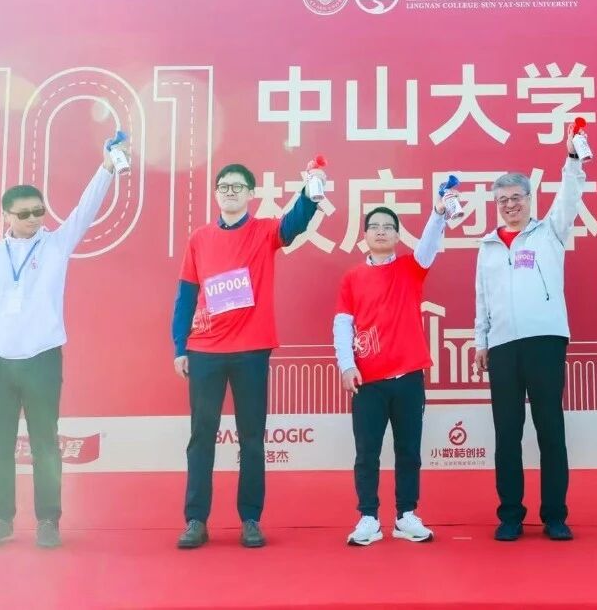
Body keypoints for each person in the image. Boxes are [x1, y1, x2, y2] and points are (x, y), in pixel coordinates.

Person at [0, 133, 129, 550]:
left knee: (45, 444)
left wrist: (106, 167)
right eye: (25, 214)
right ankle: (0, 519)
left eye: (39, 211)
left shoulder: (56, 245)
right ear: (6, 215)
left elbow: (85, 210)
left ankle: (48, 521)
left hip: (42, 360)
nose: (34, 219)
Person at [170, 161, 323, 549]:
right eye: (224, 186)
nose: (230, 192)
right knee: (201, 436)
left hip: (251, 350)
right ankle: (195, 520)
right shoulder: (200, 239)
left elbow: (295, 223)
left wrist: (311, 188)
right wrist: (179, 346)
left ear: (251, 194)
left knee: (251, 437)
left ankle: (250, 519)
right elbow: (186, 295)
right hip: (205, 350)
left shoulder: (265, 231)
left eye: (238, 187)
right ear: (216, 193)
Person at [474, 127, 585, 541]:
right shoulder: (487, 245)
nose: (510, 205)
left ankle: (555, 515)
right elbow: (482, 297)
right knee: (507, 434)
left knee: (549, 430)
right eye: (502, 200)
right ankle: (510, 515)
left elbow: (569, 197)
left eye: (516, 198)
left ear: (529, 199)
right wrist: (481, 340)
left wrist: (572, 160)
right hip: (503, 347)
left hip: (545, 342)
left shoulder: (550, 231)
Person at [333, 184, 458, 546]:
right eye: (375, 226)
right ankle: (368, 517)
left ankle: (406, 515)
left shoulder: (411, 268)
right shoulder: (352, 278)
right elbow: (342, 323)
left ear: (398, 235)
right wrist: (346, 365)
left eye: (388, 226)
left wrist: (438, 213)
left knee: (408, 451)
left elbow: (430, 244)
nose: (381, 231)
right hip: (368, 381)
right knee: (367, 452)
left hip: (408, 378)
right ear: (365, 235)